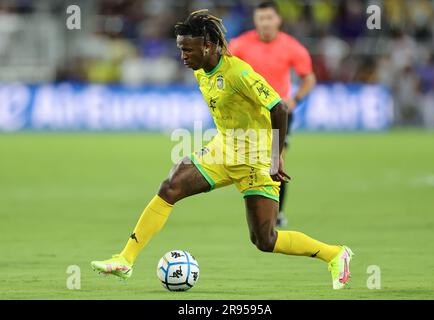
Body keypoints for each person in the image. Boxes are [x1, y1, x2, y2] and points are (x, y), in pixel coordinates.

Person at [91, 10, 353, 290]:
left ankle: (336, 254)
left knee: (265, 240)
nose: (182, 56)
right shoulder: (202, 71)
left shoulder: (238, 73)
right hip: (223, 150)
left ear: (207, 46)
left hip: (257, 160)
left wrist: (276, 157)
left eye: (186, 50)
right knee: (171, 186)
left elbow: (280, 107)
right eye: (180, 49)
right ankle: (125, 260)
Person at [229, 1, 317, 227]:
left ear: (278, 20)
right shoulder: (239, 45)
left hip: (278, 114)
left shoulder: (291, 46)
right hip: (248, 116)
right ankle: (259, 210)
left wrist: (295, 99)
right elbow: (225, 71)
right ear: (255, 20)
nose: (265, 23)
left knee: (277, 160)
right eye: (261, 18)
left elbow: (308, 77)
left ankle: (276, 214)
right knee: (245, 164)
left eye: (269, 18)